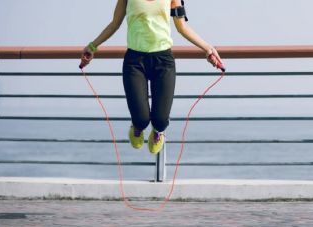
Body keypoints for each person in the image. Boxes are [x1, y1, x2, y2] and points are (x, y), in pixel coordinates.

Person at [80, 0, 223, 154]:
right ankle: (138, 127)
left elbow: (182, 27)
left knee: (160, 121)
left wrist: (208, 48)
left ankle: (158, 132)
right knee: (141, 119)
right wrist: (92, 46)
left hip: (164, 62)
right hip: (135, 62)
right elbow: (115, 23)